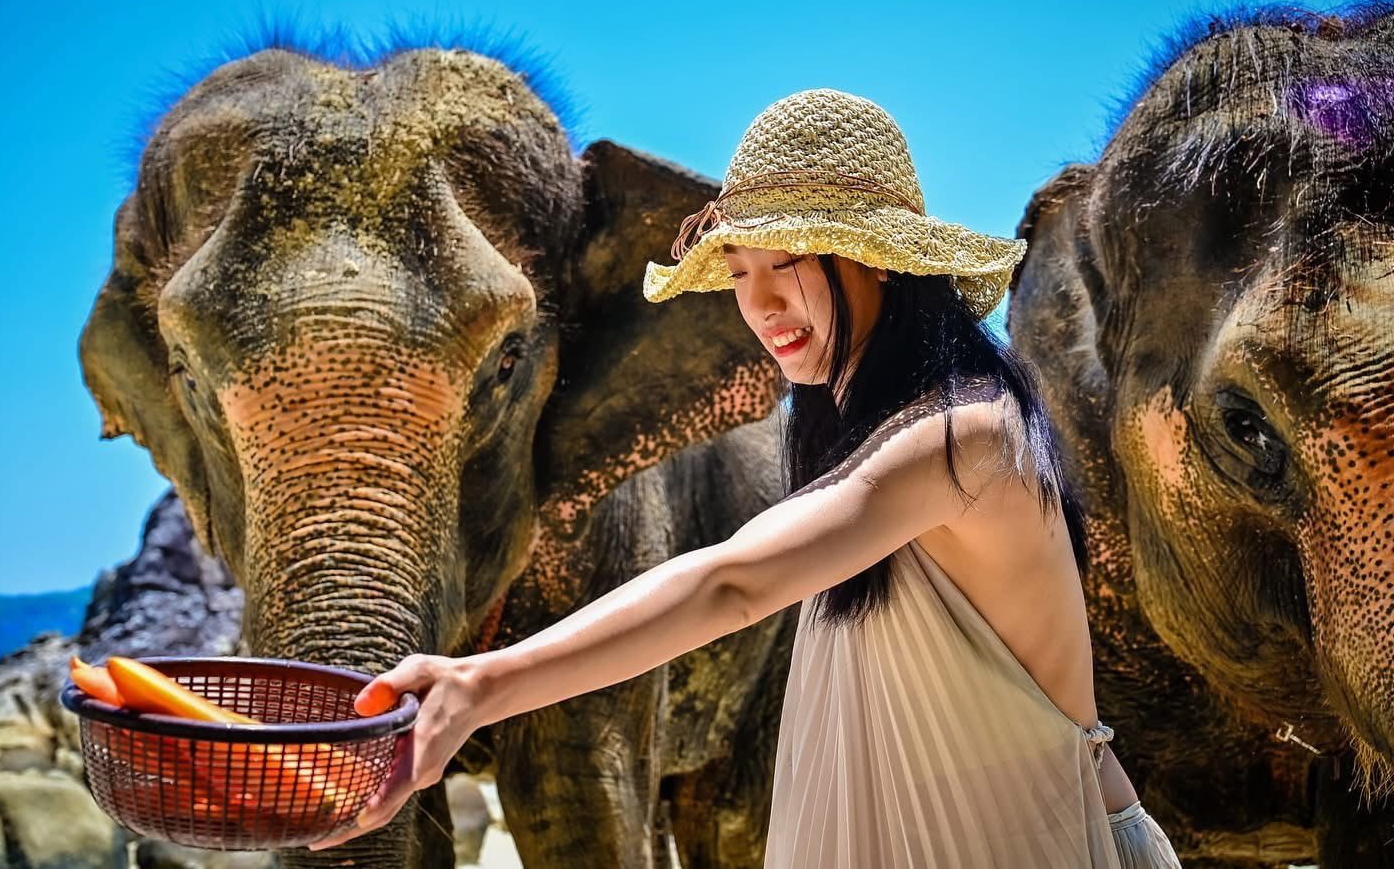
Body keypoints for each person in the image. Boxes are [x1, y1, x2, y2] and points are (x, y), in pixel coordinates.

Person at [311, 89, 1182, 867]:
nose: (760, 305)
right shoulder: (875, 443)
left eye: (788, 264)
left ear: (873, 256)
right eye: (738, 275)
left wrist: (478, 685)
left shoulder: (966, 436)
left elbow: (731, 581)